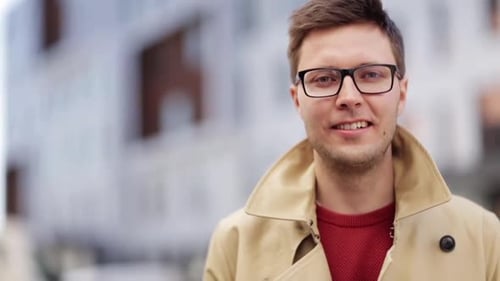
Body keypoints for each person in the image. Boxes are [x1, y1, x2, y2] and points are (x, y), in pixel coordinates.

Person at [204, 0, 500, 280]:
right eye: (324, 79)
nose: (349, 97)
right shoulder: (235, 245)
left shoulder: (483, 238)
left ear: (402, 93)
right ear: (297, 100)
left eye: (371, 74)